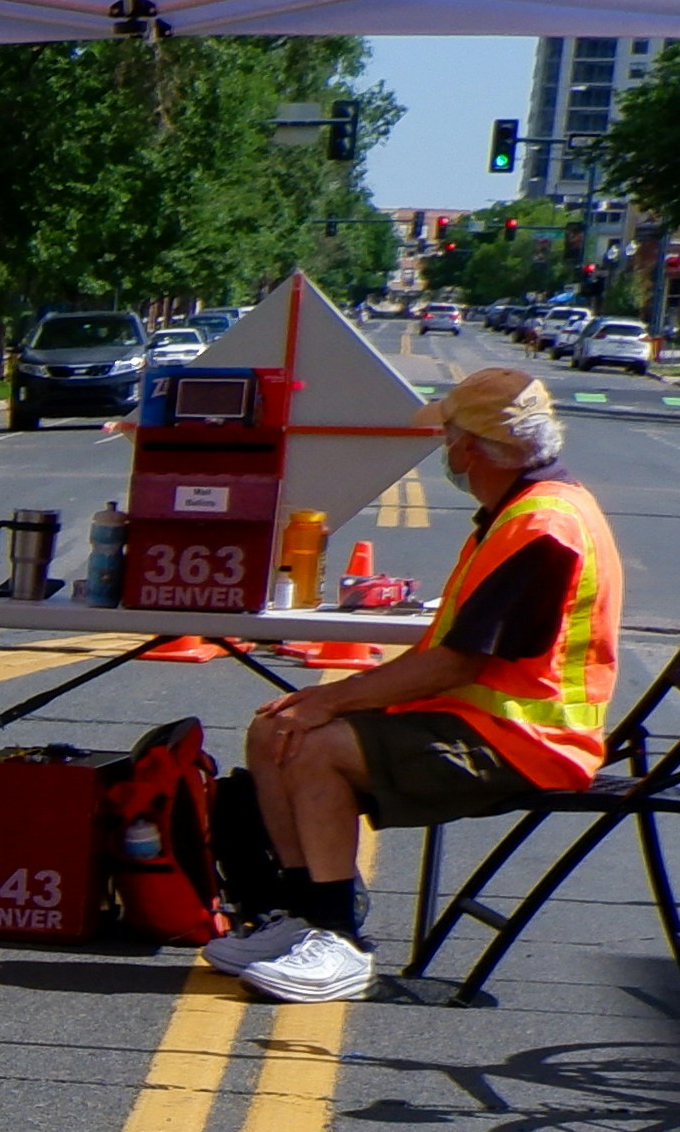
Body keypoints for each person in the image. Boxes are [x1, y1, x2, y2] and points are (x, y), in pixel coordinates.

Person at [216, 367, 617, 1004]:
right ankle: (301, 912)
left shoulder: (543, 527)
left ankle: (337, 939)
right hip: (482, 723)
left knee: (314, 741)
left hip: (527, 742)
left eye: (450, 438)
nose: (446, 453)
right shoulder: (514, 510)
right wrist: (319, 702)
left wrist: (328, 698)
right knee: (274, 728)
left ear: (471, 449)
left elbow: (459, 664)